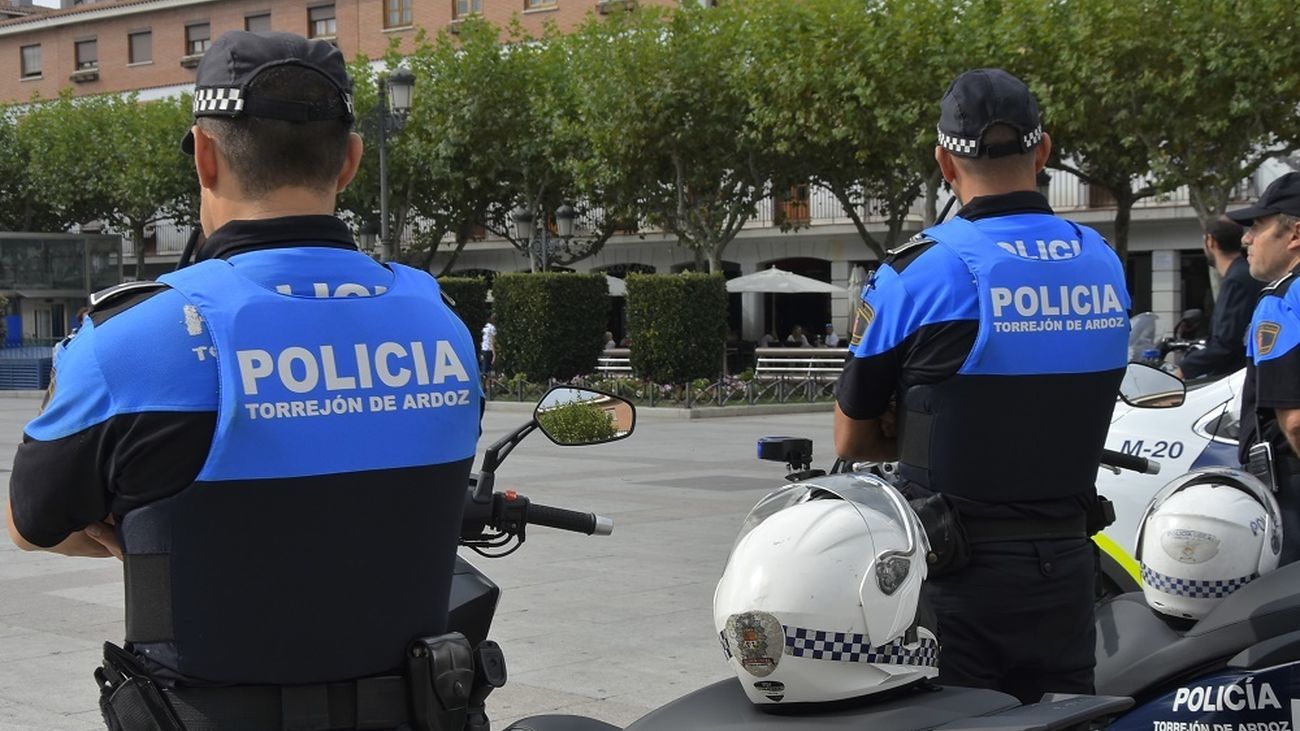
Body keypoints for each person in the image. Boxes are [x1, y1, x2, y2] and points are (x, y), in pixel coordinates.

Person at [5, 31, 482, 729]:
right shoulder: (440, 322)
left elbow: (30, 522)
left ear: (204, 154)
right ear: (349, 161)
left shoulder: (136, 337)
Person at [833, 68, 1130, 703]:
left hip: (958, 576)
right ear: (1043, 152)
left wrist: (916, 426)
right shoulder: (1103, 262)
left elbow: (852, 438)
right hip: (1070, 567)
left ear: (945, 162)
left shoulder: (920, 272)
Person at [1229, 171, 1300, 566]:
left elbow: (1294, 422)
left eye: (1257, 226)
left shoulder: (1281, 301)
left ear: (1294, 235)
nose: (1246, 239)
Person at [1176, 217, 1263, 380]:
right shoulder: (1243, 273)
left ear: (1211, 241)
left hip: (1233, 380)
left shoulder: (1236, 281)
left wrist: (1183, 369)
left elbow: (1226, 343)